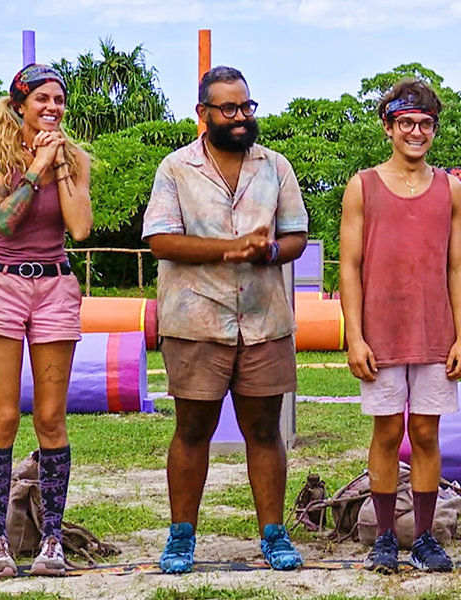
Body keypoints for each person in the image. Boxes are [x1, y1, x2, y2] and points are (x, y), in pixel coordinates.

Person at [142, 65, 308, 573]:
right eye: (228, 108)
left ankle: (274, 535)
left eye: (246, 106)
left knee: (265, 431)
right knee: (192, 430)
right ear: (203, 113)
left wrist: (269, 251)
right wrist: (230, 248)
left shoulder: (275, 166)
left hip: (264, 321)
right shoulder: (176, 168)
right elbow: (161, 240)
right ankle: (181, 537)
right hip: (196, 321)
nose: (240, 117)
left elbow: (296, 236)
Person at [339, 79, 461, 573]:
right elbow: (349, 266)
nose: (416, 132)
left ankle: (425, 537)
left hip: (435, 333)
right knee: (388, 430)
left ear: (434, 128)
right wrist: (354, 336)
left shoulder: (450, 189)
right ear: (388, 127)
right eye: (406, 123)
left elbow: (457, 267)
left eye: (425, 124)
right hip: (381, 334)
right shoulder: (363, 187)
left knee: (426, 432)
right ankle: (384, 539)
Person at [0, 64, 93, 578]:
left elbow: (80, 229)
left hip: (55, 286)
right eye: (42, 98)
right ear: (20, 105)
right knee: (3, 417)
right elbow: (1, 219)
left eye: (59, 99)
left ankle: (52, 540)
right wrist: (36, 167)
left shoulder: (73, 158)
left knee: (51, 418)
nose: (52, 107)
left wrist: (58, 164)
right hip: (1, 283)